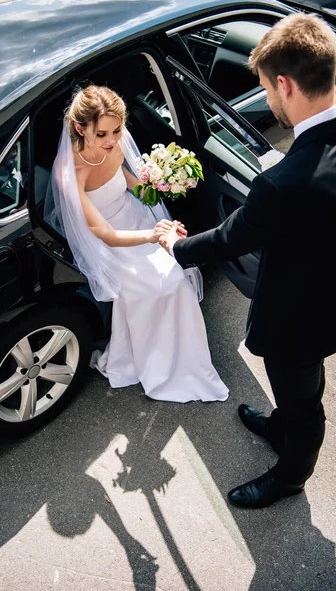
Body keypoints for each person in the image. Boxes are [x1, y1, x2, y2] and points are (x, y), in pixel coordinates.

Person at [159, 13, 336, 507]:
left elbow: (229, 238)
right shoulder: (303, 169)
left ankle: (290, 475)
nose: (269, 101)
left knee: (303, 402)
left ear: (285, 84)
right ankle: (281, 423)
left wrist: (176, 246)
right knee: (301, 385)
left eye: (265, 89)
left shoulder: (284, 184)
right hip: (327, 294)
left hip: (300, 314)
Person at [45, 85, 229, 403]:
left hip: (137, 221)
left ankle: (182, 355)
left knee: (175, 278)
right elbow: (104, 234)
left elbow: (135, 189)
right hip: (112, 245)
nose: (113, 140)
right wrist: (155, 236)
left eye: (117, 130)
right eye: (102, 134)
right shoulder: (69, 173)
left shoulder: (116, 148)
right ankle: (156, 363)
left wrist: (161, 181)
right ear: (79, 128)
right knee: (156, 286)